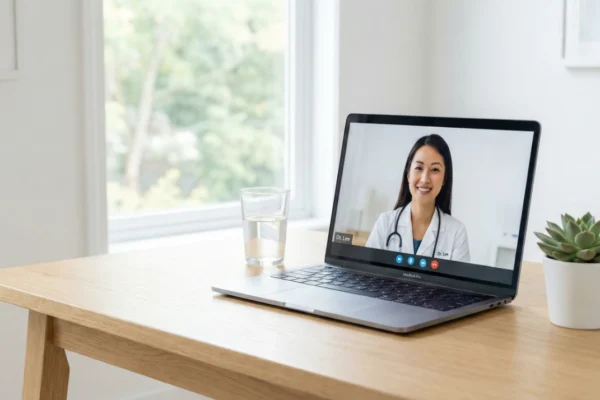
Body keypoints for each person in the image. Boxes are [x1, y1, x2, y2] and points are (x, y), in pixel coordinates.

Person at [365, 134, 470, 262]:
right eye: (419, 168)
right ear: (408, 174)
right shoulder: (385, 223)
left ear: (444, 179)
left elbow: (457, 283)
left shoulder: (457, 233)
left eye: (435, 169)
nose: (425, 179)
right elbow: (367, 276)